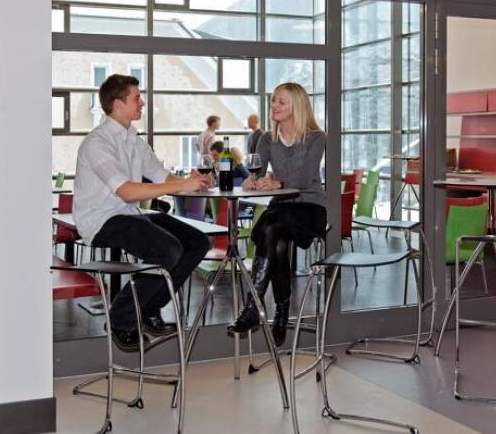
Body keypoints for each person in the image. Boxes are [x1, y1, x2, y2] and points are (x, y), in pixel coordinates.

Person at [74, 74, 213, 352]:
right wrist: (180, 185)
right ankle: (121, 317)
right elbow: (126, 191)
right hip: (101, 220)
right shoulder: (97, 143)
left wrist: (193, 183)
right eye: (137, 97)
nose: (143, 102)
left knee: (198, 242)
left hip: (129, 214)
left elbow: (162, 176)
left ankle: (148, 310)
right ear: (118, 103)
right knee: (167, 249)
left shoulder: (134, 141)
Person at [228, 82, 326, 347]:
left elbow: (304, 178)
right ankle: (278, 311)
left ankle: (254, 306)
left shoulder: (316, 138)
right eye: (273, 101)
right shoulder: (267, 139)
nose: (274, 106)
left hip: (311, 207)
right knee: (275, 238)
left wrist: (277, 183)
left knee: (268, 227)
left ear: (297, 106)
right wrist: (251, 182)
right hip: (282, 209)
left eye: (281, 102)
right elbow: (257, 173)